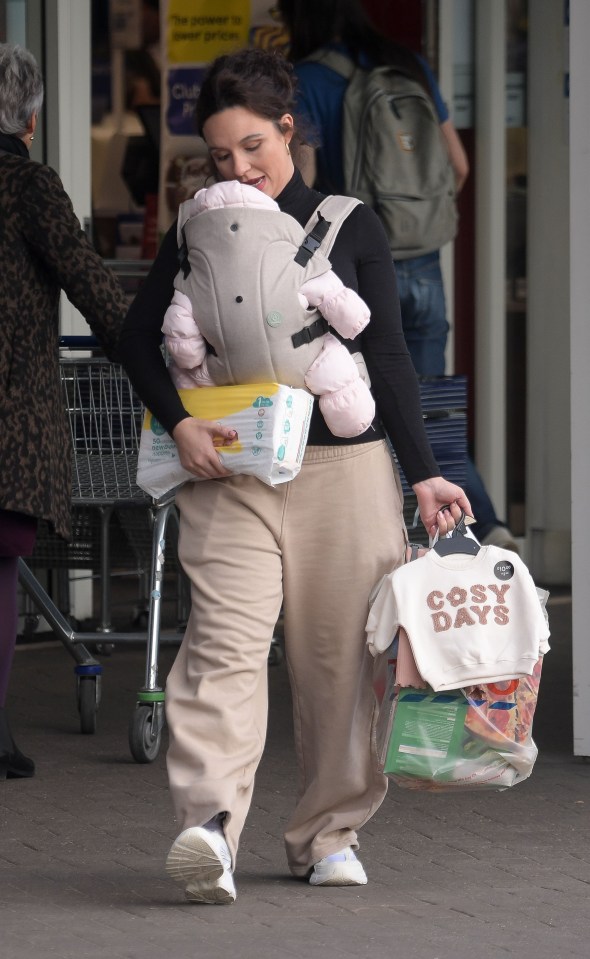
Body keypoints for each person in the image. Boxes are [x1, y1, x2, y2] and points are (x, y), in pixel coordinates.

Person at [118, 46, 471, 904]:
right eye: (220, 156)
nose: (238, 169)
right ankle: (209, 830)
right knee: (221, 653)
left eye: (252, 148)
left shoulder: (350, 224)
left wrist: (423, 476)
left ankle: (328, 834)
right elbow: (137, 339)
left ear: (288, 130)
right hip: (233, 472)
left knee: (340, 666)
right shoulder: (198, 229)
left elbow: (386, 353)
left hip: (343, 477)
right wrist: (182, 422)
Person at [277, 0, 519, 552]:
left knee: (358, 409)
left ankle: (390, 543)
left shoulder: (308, 79)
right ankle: (480, 527)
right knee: (426, 405)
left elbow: (303, 196)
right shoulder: (409, 65)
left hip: (355, 274)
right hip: (425, 266)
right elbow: (457, 165)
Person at [0, 43, 129, 779]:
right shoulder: (28, 185)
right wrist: (149, 353)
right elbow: (89, 283)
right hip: (10, 418)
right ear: (33, 117)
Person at [161, 178, 375, 437]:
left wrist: (187, 357)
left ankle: (195, 414)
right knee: (335, 375)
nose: (240, 167)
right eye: (222, 155)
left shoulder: (192, 272)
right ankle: (350, 414)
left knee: (190, 378)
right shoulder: (293, 258)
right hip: (305, 365)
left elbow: (183, 341)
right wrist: (353, 320)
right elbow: (336, 298)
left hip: (230, 380)